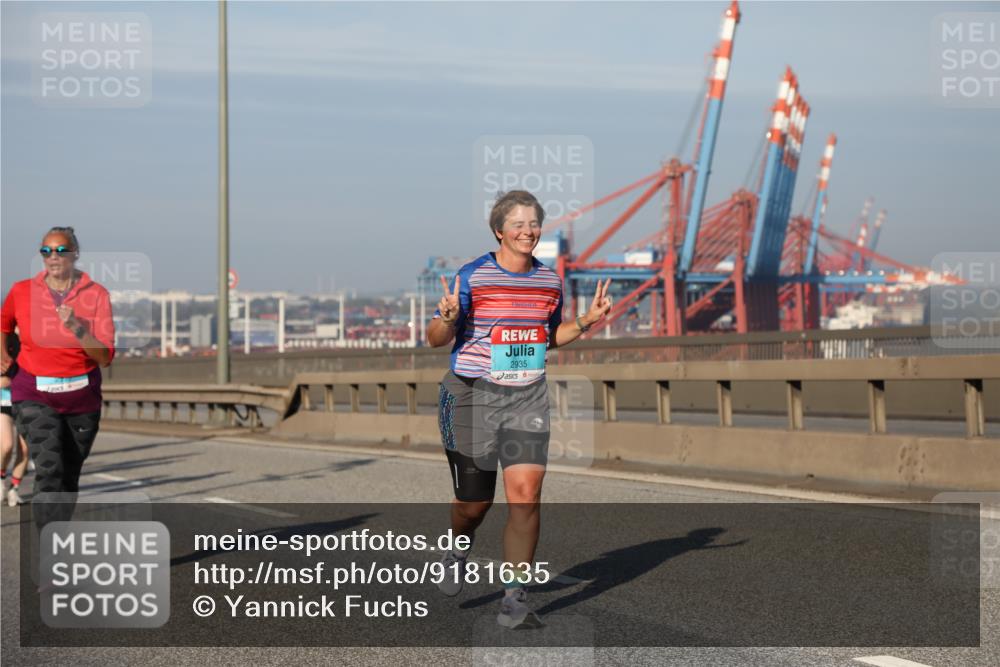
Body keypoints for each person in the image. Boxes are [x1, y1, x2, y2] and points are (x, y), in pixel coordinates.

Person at [427, 190, 611, 629]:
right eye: (518, 224)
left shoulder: (549, 282)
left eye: (534, 223)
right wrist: (449, 318)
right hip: (471, 394)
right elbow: (436, 339)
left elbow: (547, 338)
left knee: (526, 496)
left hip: (526, 395)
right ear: (499, 231)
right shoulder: (473, 276)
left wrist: (585, 322)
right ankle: (457, 546)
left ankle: (514, 600)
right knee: (475, 504)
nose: (528, 231)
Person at [0, 227, 115, 525]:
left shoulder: (97, 295)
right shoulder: (22, 290)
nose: (53, 256)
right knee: (50, 468)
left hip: (82, 400)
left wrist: (77, 327)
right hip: (33, 393)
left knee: (68, 475)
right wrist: (2, 352)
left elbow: (103, 357)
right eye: (46, 250)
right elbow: (3, 322)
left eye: (61, 250)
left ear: (75, 253)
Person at [1, 332, 30, 507]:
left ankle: (14, 489)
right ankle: (1, 476)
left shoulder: (33, 339)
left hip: (27, 398)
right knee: (6, 446)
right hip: (3, 398)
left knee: (26, 449)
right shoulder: (3, 337)